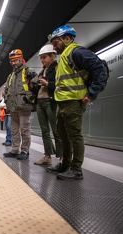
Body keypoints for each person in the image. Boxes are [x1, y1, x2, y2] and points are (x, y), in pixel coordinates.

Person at [47, 25, 108, 180]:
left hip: (74, 101)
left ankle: (76, 169)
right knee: (63, 136)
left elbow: (100, 69)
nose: (54, 47)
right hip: (63, 103)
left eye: (56, 43)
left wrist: (92, 93)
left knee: (75, 135)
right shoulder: (65, 56)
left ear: (67, 38)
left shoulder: (77, 52)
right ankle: (65, 164)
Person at [3, 49, 37, 160]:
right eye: (11, 61)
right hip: (13, 108)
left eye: (15, 60)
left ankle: (25, 151)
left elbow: (37, 87)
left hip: (23, 106)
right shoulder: (11, 76)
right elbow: (7, 90)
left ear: (21, 59)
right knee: (14, 130)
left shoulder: (28, 71)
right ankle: (14, 150)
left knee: (24, 130)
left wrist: (31, 98)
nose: (13, 63)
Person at [33, 44, 63, 166]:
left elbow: (60, 84)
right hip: (40, 102)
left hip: (51, 102)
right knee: (45, 131)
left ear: (52, 56)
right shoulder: (42, 70)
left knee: (56, 131)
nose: (42, 60)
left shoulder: (57, 68)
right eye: (41, 57)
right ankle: (47, 156)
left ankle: (62, 157)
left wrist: (47, 83)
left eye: (44, 57)